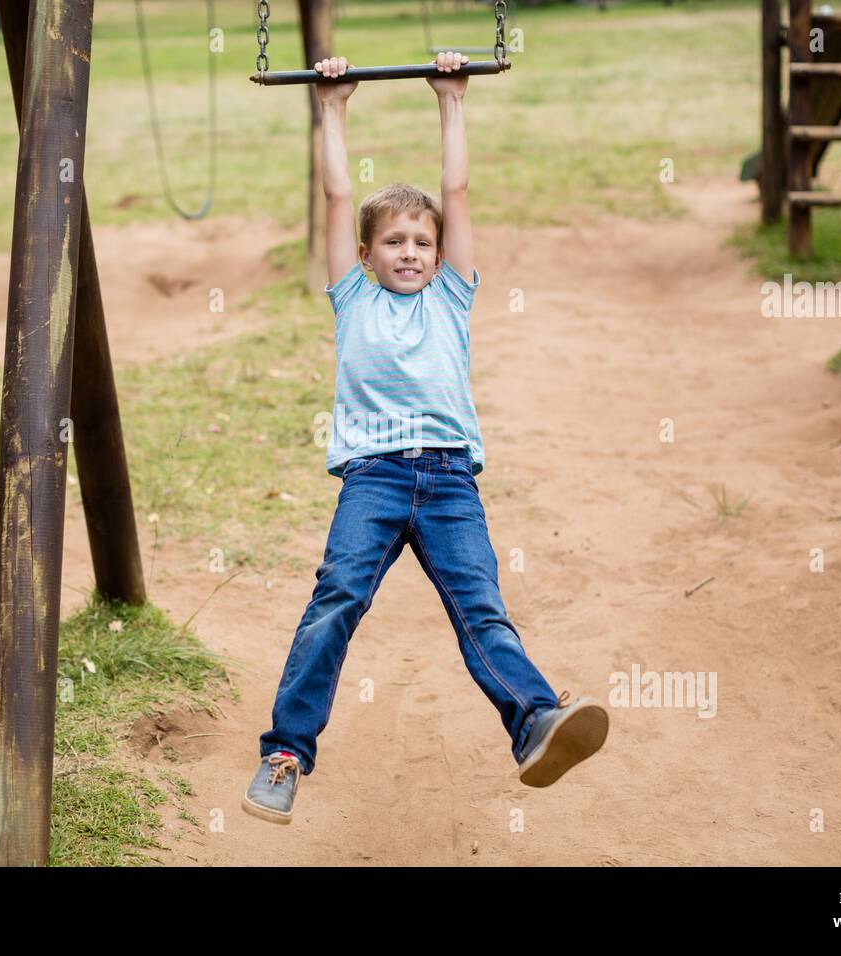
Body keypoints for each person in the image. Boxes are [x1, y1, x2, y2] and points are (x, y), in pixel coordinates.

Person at [243, 52, 607, 825]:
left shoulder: (451, 298)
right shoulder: (353, 300)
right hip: (372, 479)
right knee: (335, 601)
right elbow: (339, 193)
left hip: (449, 483)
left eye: (421, 241)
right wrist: (332, 106)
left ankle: (535, 722)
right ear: (367, 256)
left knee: (482, 608)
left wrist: (451, 98)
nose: (409, 251)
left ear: (439, 254)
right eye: (393, 242)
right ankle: (284, 755)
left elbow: (458, 191)